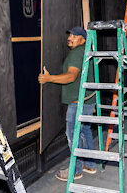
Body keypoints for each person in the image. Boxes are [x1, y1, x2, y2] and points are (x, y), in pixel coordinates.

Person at [38, 26, 97, 181]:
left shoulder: (77, 53)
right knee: (85, 132)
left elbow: (71, 76)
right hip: (88, 100)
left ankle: (76, 170)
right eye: (70, 35)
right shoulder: (86, 51)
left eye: (74, 36)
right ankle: (90, 165)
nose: (70, 38)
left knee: (73, 135)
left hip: (79, 103)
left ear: (82, 39)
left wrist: (49, 79)